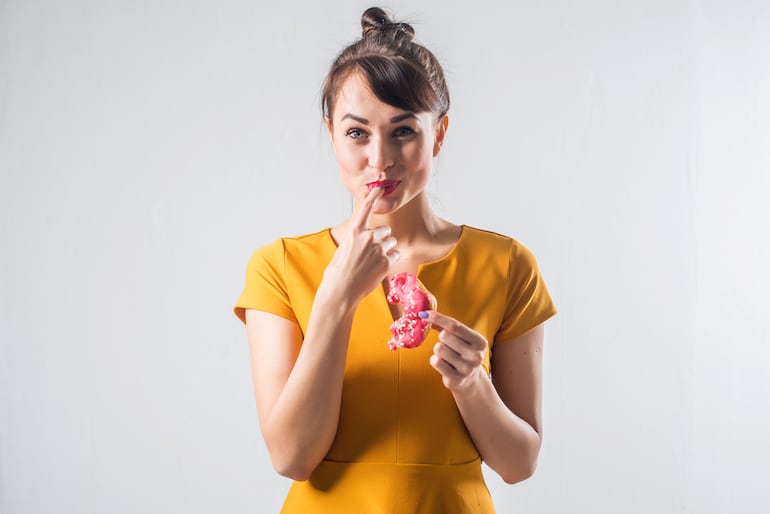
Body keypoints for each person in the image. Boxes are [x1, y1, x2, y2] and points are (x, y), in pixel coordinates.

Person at [234, 7, 557, 513]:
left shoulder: (508, 265)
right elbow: (292, 456)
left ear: (440, 133)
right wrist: (336, 299)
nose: (379, 159)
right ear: (332, 134)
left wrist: (473, 383)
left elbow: (519, 464)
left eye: (403, 131)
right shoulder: (279, 267)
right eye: (357, 133)